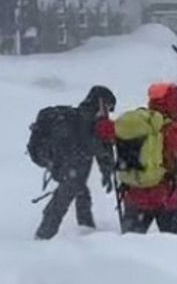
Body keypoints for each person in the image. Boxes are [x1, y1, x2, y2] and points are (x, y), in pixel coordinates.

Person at [108, 82, 177, 235]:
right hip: (165, 198)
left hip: (133, 195)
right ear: (176, 103)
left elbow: (106, 132)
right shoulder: (174, 129)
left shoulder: (135, 125)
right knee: (174, 249)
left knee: (129, 247)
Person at [30, 85, 117, 240]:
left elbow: (95, 144)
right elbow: (94, 144)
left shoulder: (83, 116)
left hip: (68, 163)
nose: (108, 112)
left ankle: (85, 230)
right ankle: (43, 236)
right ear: (102, 102)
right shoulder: (88, 117)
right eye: (109, 107)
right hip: (71, 164)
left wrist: (106, 169)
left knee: (80, 192)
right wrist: (106, 165)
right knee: (65, 196)